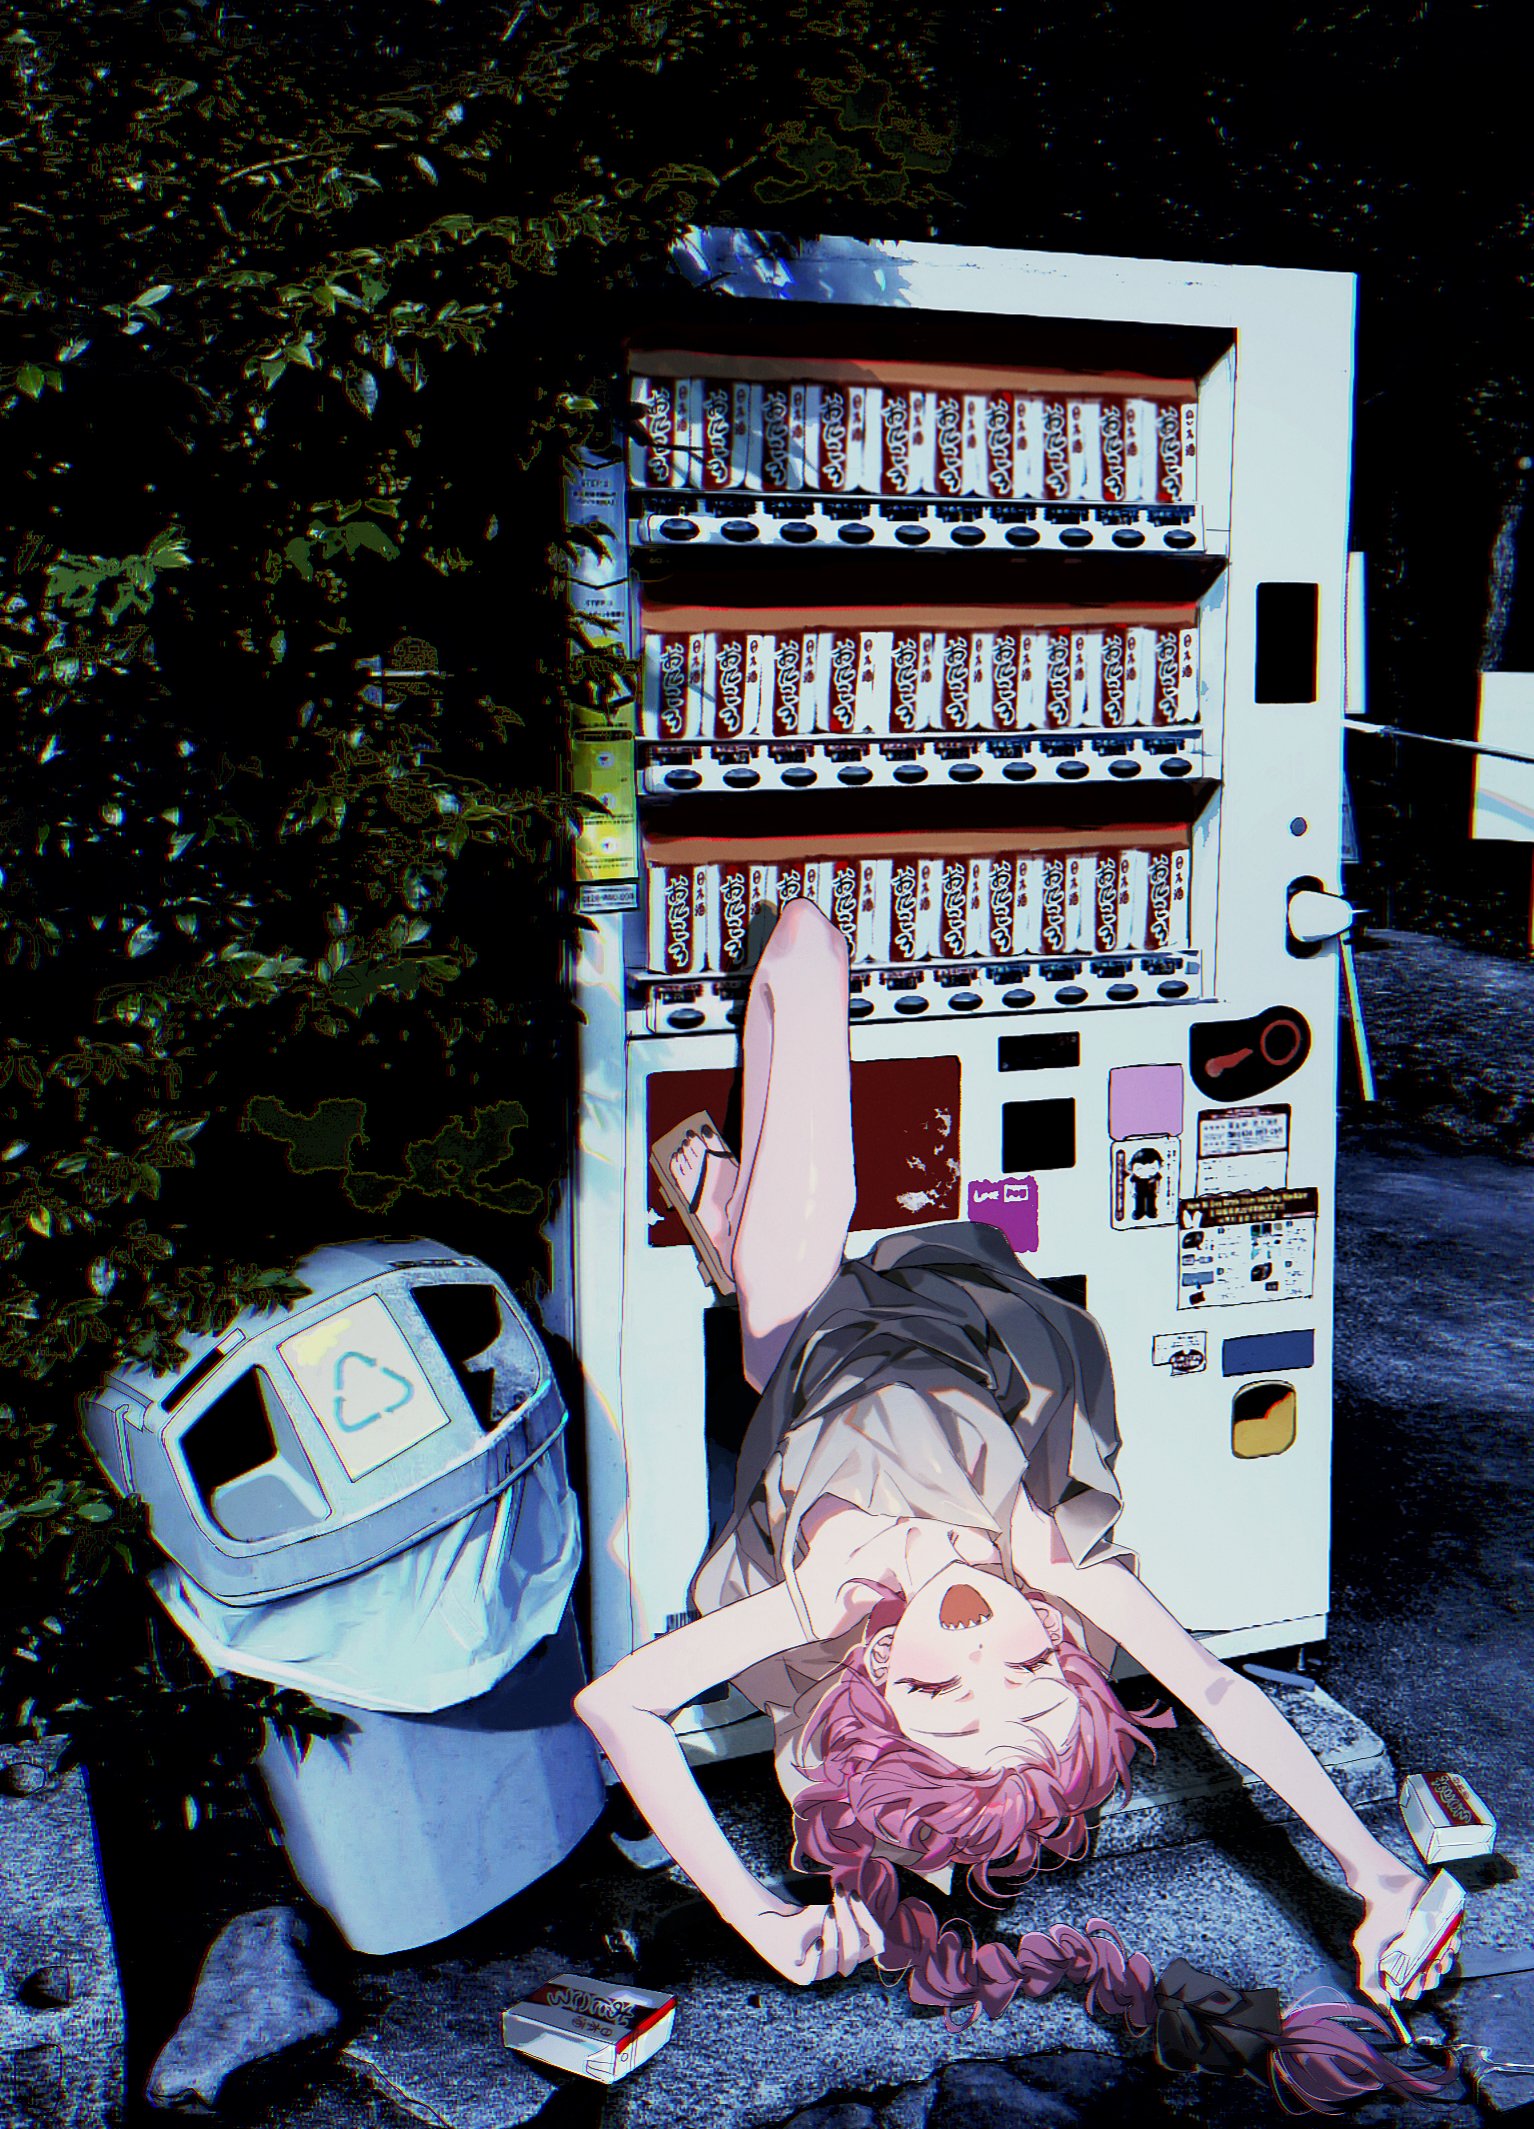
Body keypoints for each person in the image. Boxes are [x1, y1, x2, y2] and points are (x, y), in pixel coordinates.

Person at [577, 897, 1456, 2110]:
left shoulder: (827, 1603)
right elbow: (1216, 1694)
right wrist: (1374, 1872)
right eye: (1034, 1667)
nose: (981, 1637)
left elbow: (615, 1704)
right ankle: (731, 1223)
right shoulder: (1044, 1559)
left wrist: (760, 1911)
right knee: (808, 977)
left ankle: (736, 1234)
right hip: (988, 1348)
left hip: (807, 1337)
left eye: (942, 1685)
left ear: (880, 1675)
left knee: (805, 959)